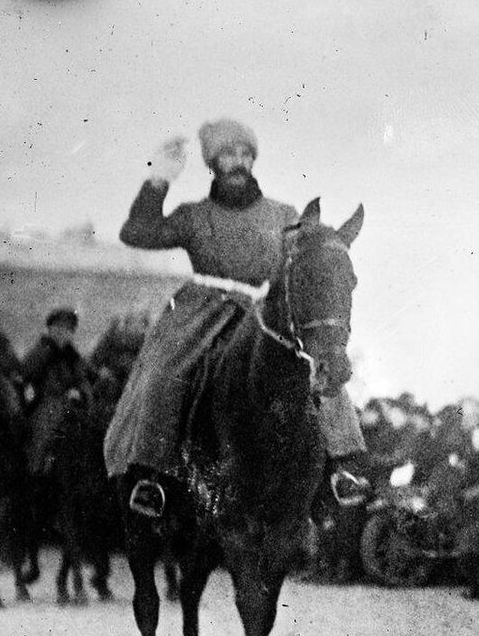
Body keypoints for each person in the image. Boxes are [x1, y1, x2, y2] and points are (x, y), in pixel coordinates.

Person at [103, 119, 369, 517]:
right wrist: (159, 180)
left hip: (265, 312)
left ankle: (343, 464)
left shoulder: (284, 215)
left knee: (322, 362)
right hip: (201, 311)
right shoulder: (194, 216)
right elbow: (136, 233)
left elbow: (308, 263)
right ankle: (151, 475)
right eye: (228, 154)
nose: (239, 162)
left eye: (246, 154)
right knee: (164, 371)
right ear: (212, 163)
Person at [20, 308, 94, 478]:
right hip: (47, 404)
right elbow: (26, 372)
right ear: (50, 329)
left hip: (72, 406)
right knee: (43, 435)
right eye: (58, 328)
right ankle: (35, 472)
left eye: (68, 329)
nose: (62, 333)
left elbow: (85, 378)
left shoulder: (73, 356)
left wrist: (80, 392)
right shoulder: (42, 350)